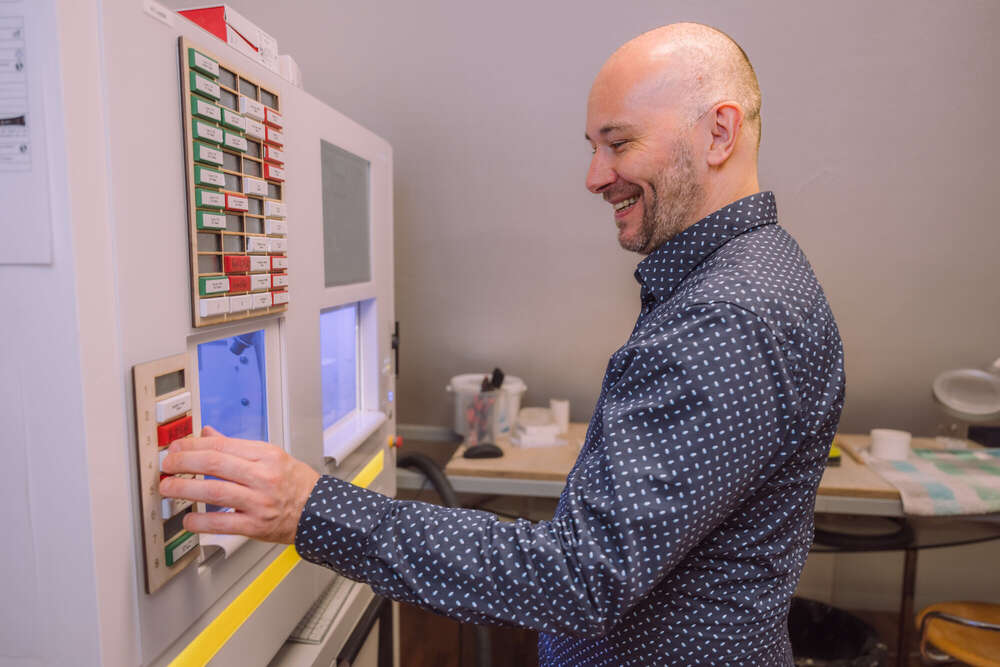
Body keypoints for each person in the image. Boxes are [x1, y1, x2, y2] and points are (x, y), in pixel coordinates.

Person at [161, 22, 844, 665]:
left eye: (620, 142)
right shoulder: (752, 274)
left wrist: (311, 506)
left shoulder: (728, 314)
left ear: (719, 132)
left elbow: (579, 578)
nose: (595, 175)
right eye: (591, 147)